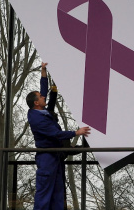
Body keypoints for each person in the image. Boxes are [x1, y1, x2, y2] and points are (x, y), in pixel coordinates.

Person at [26, 63, 91, 210]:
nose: (44, 96)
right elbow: (56, 134)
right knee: (44, 193)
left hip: (55, 156)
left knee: (58, 192)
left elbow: (43, 90)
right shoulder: (38, 119)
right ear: (37, 103)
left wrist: (43, 72)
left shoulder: (41, 111)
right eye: (41, 97)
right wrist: (76, 132)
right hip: (47, 157)